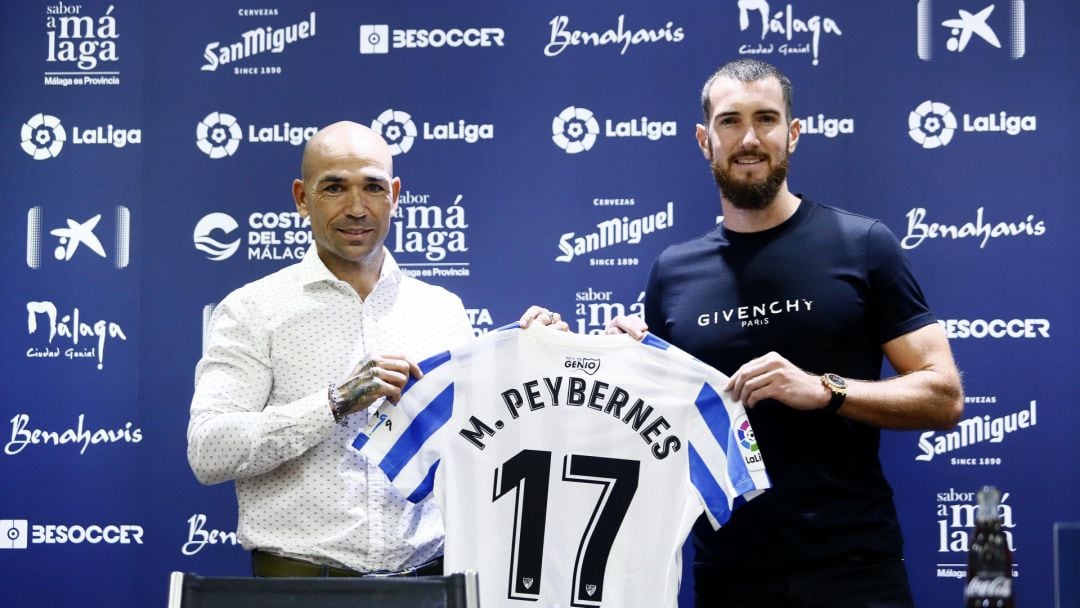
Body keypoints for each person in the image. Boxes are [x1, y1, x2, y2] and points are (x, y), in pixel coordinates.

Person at [607, 59, 963, 607]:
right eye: (730, 122)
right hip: (727, 574)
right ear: (705, 140)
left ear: (792, 135)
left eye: (766, 119)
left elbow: (942, 396)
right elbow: (653, 427)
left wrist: (826, 390)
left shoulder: (863, 245)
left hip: (854, 570)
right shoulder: (673, 272)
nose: (749, 139)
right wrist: (618, 363)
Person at [187, 121, 565, 578]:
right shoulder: (253, 310)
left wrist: (530, 364)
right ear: (301, 198)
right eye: (334, 188)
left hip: (429, 580)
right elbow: (209, 452)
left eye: (373, 187)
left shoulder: (442, 309)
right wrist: (335, 402)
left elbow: (480, 443)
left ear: (396, 194)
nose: (357, 208)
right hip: (302, 585)